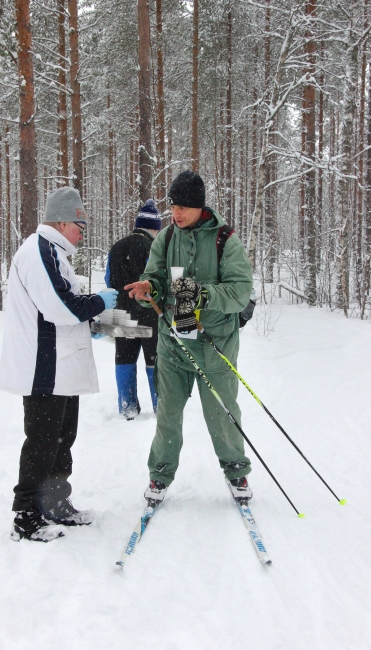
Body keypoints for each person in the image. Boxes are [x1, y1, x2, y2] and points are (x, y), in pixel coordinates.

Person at [125, 171, 254, 507]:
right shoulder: (165, 239)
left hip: (216, 344)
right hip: (174, 343)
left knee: (222, 413)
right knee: (167, 413)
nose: (176, 213)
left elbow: (241, 293)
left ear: (199, 206)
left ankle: (236, 470)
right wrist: (147, 289)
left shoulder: (225, 240)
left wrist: (203, 295)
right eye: (173, 206)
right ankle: (160, 473)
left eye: (183, 206)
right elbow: (154, 279)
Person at [0, 186, 118, 542]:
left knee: (62, 438)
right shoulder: (38, 252)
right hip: (42, 368)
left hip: (59, 366)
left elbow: (60, 307)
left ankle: (54, 503)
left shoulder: (54, 252)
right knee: (41, 441)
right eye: (80, 226)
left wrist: (90, 323)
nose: (83, 234)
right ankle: (26, 516)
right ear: (63, 222)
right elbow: (60, 307)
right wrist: (97, 302)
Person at [105, 199, 161, 419]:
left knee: (124, 359)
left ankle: (127, 408)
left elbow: (108, 278)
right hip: (149, 313)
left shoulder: (117, 247)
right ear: (154, 228)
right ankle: (160, 407)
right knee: (154, 361)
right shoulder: (152, 247)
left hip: (121, 312)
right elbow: (157, 280)